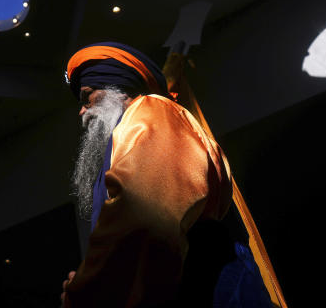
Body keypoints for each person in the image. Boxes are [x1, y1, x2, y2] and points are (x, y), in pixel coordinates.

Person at [60, 41, 245, 307]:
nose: (82, 112)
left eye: (87, 96)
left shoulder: (152, 111)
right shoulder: (128, 130)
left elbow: (142, 223)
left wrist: (85, 290)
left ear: (120, 88)